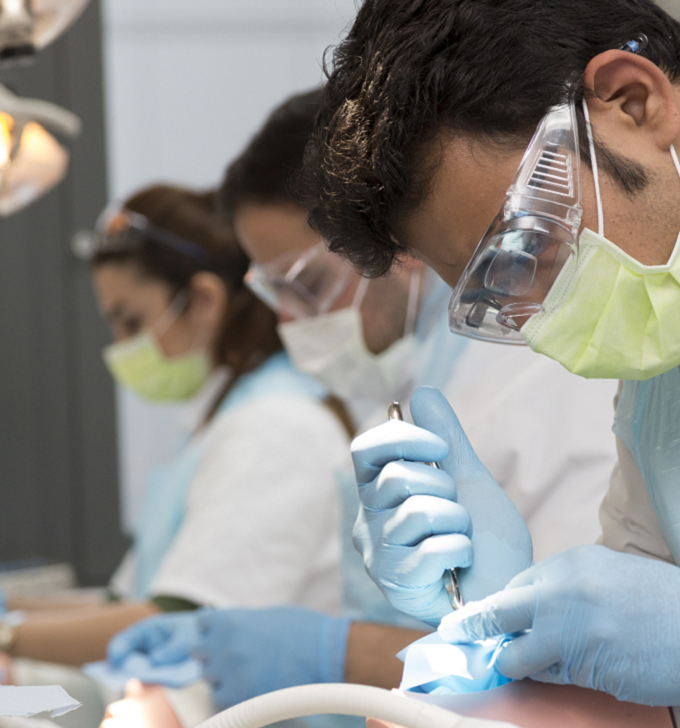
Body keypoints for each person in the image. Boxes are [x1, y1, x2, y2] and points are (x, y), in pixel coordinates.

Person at [300, 0, 680, 710]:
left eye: (527, 244)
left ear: (635, 100)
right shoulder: (668, 356)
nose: (546, 320)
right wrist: (495, 650)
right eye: (498, 294)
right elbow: (667, 699)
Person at [107, 89, 619, 710]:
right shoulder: (419, 380)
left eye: (311, 285)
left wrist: (328, 651)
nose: (294, 324)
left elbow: (569, 659)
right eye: (277, 298)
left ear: (394, 243)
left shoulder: (538, 375)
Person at [0, 186, 350, 669]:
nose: (120, 348)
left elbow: (175, 619)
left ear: (204, 300)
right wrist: (11, 610)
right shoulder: (231, 417)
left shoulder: (275, 427)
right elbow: (122, 602)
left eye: (130, 321)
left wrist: (8, 638)